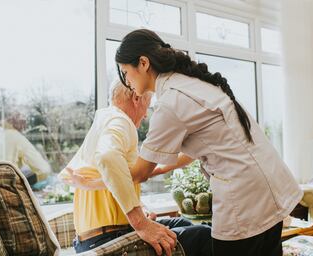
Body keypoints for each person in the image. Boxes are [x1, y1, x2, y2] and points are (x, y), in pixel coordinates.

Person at [108, 28, 303, 256]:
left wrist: (103, 173)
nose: (127, 81)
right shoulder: (190, 83)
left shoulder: (171, 100)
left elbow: (139, 172)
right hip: (268, 188)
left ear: (143, 63)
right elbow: (193, 153)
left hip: (245, 198)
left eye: (125, 72)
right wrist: (156, 169)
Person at [59, 81, 212, 256]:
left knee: (183, 224)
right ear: (136, 98)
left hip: (92, 239)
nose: (146, 114)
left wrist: (199, 149)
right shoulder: (121, 121)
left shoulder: (104, 120)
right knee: (203, 235)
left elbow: (135, 174)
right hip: (108, 239)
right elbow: (108, 157)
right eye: (148, 104)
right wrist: (140, 222)